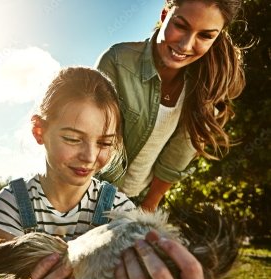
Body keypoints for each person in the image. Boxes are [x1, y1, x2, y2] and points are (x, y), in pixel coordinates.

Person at [0, 66, 207, 279]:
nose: (89, 156)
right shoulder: (8, 205)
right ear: (39, 130)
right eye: (73, 138)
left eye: (104, 143)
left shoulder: (119, 209)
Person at [96, 0, 246, 212]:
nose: (185, 45)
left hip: (137, 203)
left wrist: (147, 207)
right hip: (90, 195)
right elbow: (91, 140)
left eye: (205, 36)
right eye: (181, 26)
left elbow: (177, 158)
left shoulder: (207, 86)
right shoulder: (117, 61)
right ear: (165, 15)